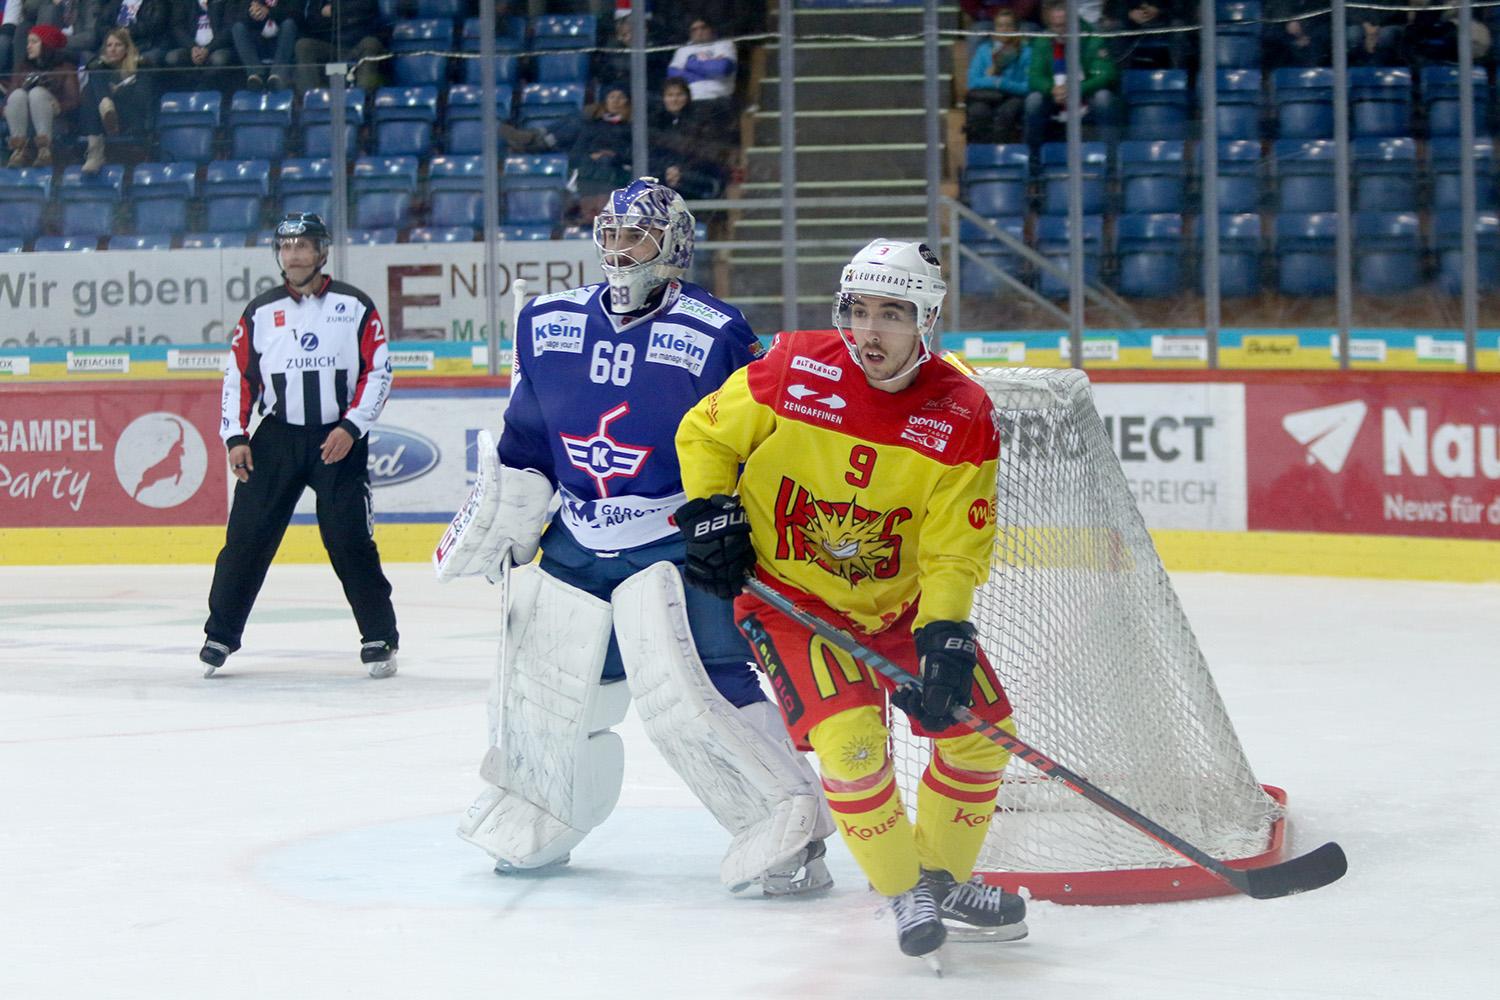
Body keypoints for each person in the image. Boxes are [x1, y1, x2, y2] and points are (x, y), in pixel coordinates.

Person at [436, 177, 835, 897]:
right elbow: (527, 439)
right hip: (579, 535)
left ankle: (787, 827)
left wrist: (735, 521)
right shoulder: (546, 321)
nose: (620, 249)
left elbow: (757, 444)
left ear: (674, 245)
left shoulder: (717, 331)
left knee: (703, 683)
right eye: (612, 234)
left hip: (675, 535)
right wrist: (509, 516)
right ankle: (543, 809)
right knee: (549, 683)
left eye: (637, 235)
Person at [674, 239, 1028, 958]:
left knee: (982, 736)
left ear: (926, 319)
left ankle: (939, 879)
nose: (870, 331)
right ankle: (905, 891)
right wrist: (710, 508)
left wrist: (946, 633)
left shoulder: (963, 410)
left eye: (892, 314)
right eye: (857, 310)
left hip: (899, 607)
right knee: (854, 747)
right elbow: (705, 433)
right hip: (791, 601)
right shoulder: (792, 366)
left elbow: (953, 548)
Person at [200, 211, 400, 680]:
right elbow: (238, 378)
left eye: (303, 245)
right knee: (246, 539)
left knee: (349, 540)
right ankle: (220, 635)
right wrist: (235, 435)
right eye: (286, 246)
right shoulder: (260, 311)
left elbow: (378, 371)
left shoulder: (355, 305)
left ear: (321, 252)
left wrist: (352, 427)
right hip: (277, 437)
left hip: (338, 439)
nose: (294, 255)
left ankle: (379, 637)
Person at [1023, 0, 1118, 155]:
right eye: (1056, 26)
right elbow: (1034, 77)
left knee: (1103, 98)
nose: (1060, 31)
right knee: (1034, 101)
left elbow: (1106, 74)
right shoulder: (1042, 41)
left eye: (1064, 26)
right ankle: (1033, 159)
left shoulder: (1092, 38)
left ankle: (1110, 157)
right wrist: (1051, 89)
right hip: (1056, 95)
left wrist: (1076, 89)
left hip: (1086, 92)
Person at [77, 27, 152, 174]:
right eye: (109, 45)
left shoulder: (140, 66)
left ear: (127, 48)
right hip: (103, 122)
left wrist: (119, 91)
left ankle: (95, 154)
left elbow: (142, 99)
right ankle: (106, 105)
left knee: (94, 93)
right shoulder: (100, 68)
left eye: (118, 45)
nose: (112, 49)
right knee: (93, 82)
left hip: (129, 118)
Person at [4, 23, 77, 168]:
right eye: (28, 42)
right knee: (18, 94)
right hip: (25, 122)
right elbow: (9, 99)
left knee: (37, 93)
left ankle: (45, 150)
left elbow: (74, 101)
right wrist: (6, 110)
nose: (28, 46)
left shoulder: (65, 68)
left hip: (55, 122)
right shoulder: (23, 68)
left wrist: (59, 107)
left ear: (47, 45)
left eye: (34, 42)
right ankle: (19, 149)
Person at [964, 8, 1031, 144]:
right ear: (994, 29)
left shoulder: (1026, 52)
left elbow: (1027, 86)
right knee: (978, 112)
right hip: (987, 96)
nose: (1004, 29)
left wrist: (1001, 83)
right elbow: (972, 82)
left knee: (1007, 112)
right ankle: (982, 153)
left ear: (1016, 29)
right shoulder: (984, 50)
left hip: (1014, 97)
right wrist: (995, 83)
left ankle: (1002, 153)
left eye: (1008, 25)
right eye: (1000, 26)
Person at [292, 0, 386, 95]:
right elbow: (312, 20)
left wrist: (334, 11)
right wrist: (344, 16)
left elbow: (365, 8)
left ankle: (363, 98)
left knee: (370, 44)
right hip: (329, 45)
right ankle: (313, 97)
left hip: (359, 42)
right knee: (304, 45)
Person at [163, 0, 235, 88]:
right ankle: (195, 85)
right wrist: (192, 47)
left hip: (216, 48)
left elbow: (228, 28)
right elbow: (177, 27)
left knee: (219, 58)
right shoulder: (184, 2)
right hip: (191, 49)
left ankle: (203, 87)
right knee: (172, 57)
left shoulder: (222, 2)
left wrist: (208, 49)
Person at [227, 0, 295, 90]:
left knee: (289, 24)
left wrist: (269, 12)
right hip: (257, 43)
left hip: (282, 42)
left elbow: (296, 14)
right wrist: (252, 13)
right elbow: (237, 17)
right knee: (237, 27)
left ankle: (277, 74)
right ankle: (256, 74)